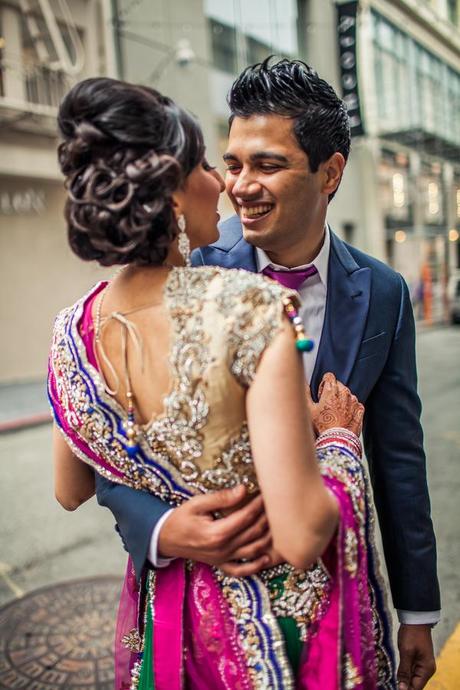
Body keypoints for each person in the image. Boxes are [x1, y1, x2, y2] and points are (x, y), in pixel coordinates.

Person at [94, 59, 440, 690]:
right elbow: (112, 446)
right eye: (232, 163)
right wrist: (165, 530)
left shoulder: (385, 293)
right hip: (205, 619)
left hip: (340, 607)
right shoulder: (185, 264)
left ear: (330, 172)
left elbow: (399, 461)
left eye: (268, 165)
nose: (239, 185)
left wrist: (418, 612)